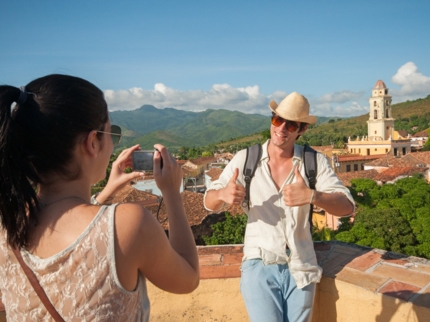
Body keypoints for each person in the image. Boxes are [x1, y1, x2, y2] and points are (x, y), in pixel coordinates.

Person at [0, 74, 199, 321]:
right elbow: (188, 278)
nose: (113, 144)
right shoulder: (128, 224)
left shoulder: (8, 224)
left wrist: (105, 192)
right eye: (111, 133)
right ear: (92, 142)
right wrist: (171, 192)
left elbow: (72, 226)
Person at [204, 92, 355, 322]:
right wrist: (223, 194)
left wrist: (312, 195)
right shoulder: (246, 159)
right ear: (271, 119)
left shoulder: (314, 162)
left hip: (301, 266)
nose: (282, 128)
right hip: (259, 263)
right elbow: (208, 202)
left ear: (302, 130)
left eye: (291, 124)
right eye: (277, 119)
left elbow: (347, 207)